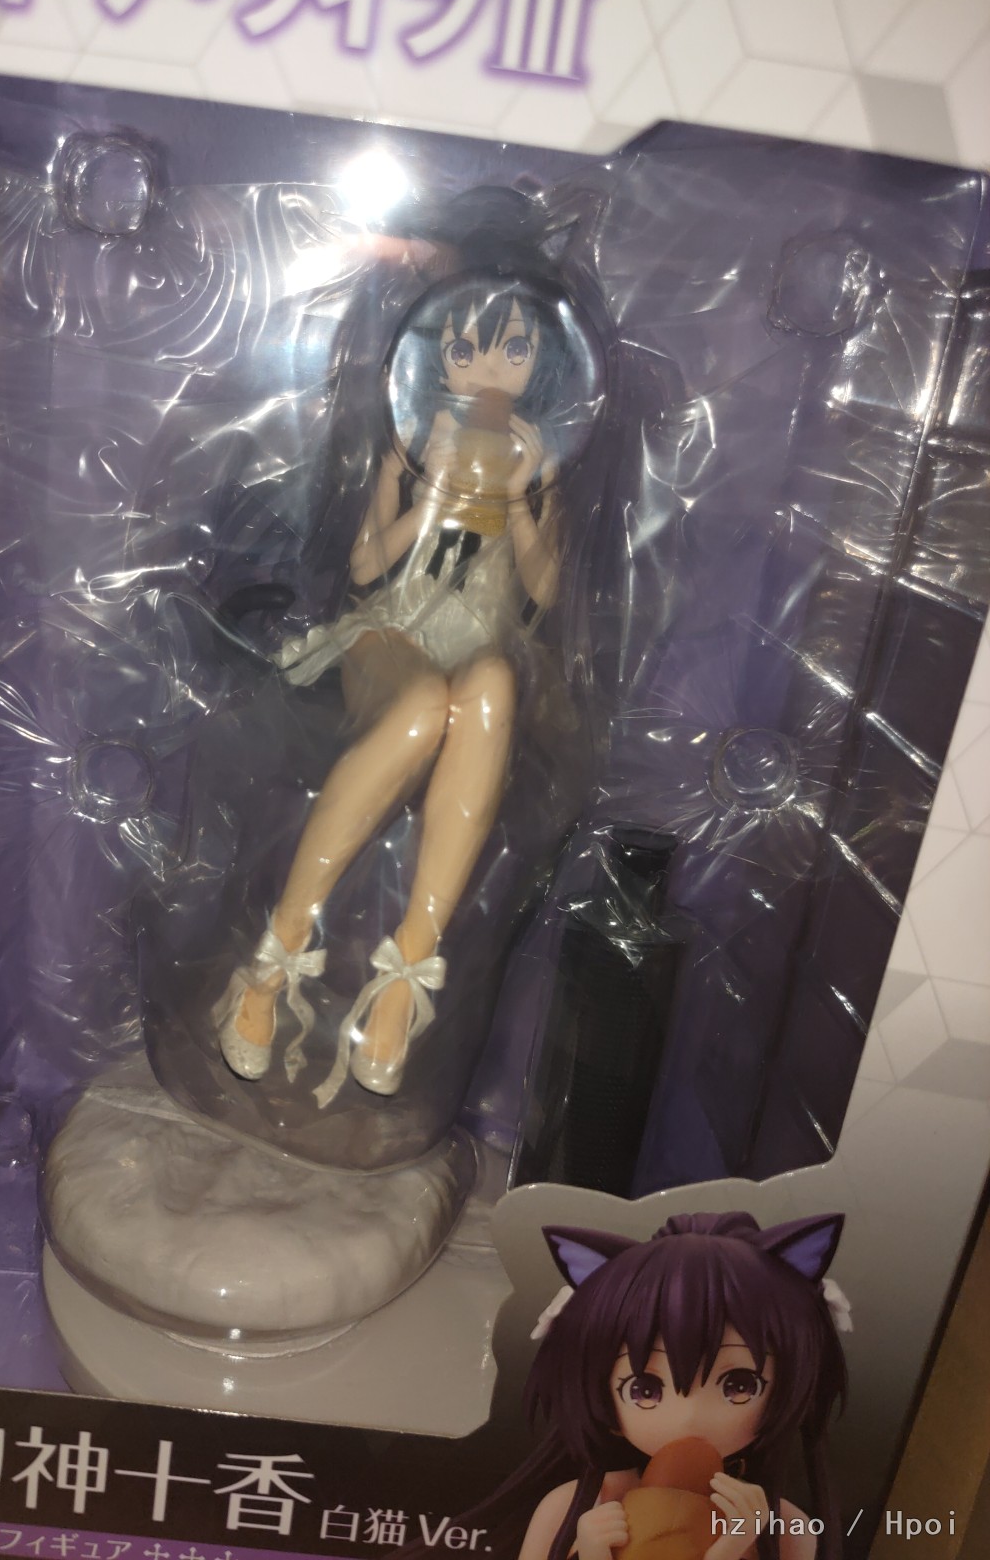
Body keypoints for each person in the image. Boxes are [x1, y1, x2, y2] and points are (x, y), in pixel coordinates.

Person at [213, 241, 594, 1106]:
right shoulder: (419, 439)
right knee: (422, 703)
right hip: (395, 629)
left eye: (513, 350)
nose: (488, 369)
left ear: (539, 364)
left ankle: (406, 975)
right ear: (439, 359)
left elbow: (544, 593)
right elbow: (363, 568)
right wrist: (420, 490)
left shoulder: (538, 461)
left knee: (489, 690)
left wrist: (523, 497)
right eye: (465, 349)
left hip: (483, 643)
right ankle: (272, 959)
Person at [473, 1213, 849, 1560]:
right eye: (645, 1389)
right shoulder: (573, 1508)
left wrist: (731, 1549)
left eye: (739, 1385)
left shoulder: (783, 1529)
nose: (690, 1417)